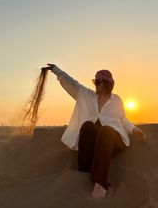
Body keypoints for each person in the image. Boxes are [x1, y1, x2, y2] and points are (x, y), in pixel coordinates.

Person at [45, 64, 147, 199]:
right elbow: (72, 83)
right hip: (95, 144)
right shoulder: (87, 95)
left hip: (113, 141)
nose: (95, 85)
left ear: (107, 84)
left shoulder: (116, 100)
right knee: (87, 125)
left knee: (105, 131)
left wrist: (135, 130)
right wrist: (56, 70)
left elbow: (123, 120)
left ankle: (100, 181)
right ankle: (84, 170)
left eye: (98, 82)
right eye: (95, 81)